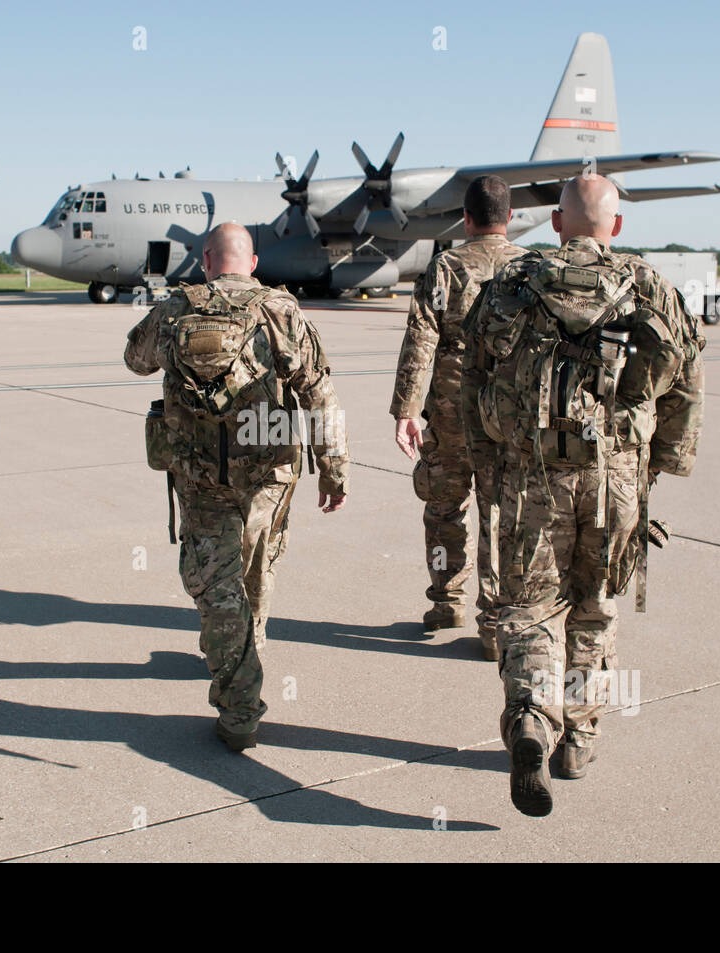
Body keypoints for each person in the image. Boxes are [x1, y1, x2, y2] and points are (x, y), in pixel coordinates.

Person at [461, 174, 705, 816]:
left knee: (528, 609)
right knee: (593, 608)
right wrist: (661, 465)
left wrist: (488, 467)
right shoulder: (649, 286)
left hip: (529, 479)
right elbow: (683, 380)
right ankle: (579, 737)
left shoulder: (510, 285)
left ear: (558, 222)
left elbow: (473, 377)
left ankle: (529, 723)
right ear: (616, 226)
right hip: (613, 479)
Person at [124, 223, 349, 751]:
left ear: (206, 261)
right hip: (268, 475)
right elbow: (320, 395)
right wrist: (334, 469)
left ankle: (240, 703)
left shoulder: (177, 307)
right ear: (250, 263)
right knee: (255, 568)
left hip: (200, 477)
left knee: (216, 588)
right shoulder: (281, 310)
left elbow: (134, 359)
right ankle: (250, 655)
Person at [390, 175, 527, 659]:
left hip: (451, 412)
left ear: (465, 219)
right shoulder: (532, 269)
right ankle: (494, 622)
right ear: (509, 218)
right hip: (508, 416)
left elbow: (420, 340)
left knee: (444, 507)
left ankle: (447, 600)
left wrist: (406, 409)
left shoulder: (445, 267)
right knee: (501, 514)